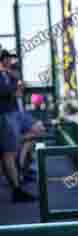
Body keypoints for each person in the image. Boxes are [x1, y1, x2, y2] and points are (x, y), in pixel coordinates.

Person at [0, 49, 35, 201]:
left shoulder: (8, 75)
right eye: (7, 58)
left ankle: (17, 186)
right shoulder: (6, 75)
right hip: (5, 115)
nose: (10, 61)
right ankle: (16, 188)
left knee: (8, 153)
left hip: (10, 115)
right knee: (8, 154)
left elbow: (16, 93)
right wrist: (15, 86)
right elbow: (7, 92)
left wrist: (16, 84)